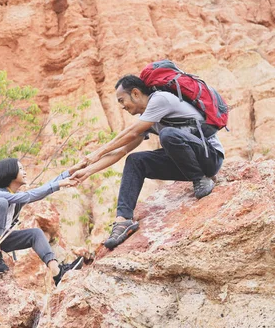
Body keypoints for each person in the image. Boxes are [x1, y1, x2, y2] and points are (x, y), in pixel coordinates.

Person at [72, 74, 225, 250]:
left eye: (122, 100)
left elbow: (130, 132)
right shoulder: (149, 119)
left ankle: (201, 179)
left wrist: (95, 154)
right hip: (186, 162)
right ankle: (123, 220)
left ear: (136, 93)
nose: (122, 107)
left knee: (168, 135)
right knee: (135, 160)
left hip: (210, 157)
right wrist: (87, 171)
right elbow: (122, 150)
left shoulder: (161, 99)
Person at [0, 158, 85, 285]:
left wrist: (68, 173)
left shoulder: (14, 196)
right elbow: (30, 196)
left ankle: (57, 273)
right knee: (1, 202)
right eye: (20, 169)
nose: (25, 172)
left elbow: (41, 189)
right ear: (9, 173)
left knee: (35, 234)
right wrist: (60, 184)